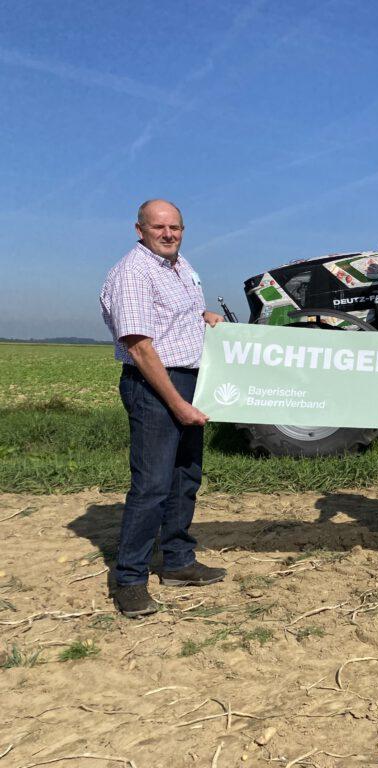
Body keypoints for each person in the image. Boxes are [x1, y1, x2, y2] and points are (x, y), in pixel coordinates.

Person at [99, 199, 226, 617]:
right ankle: (130, 579)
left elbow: (174, 316)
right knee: (152, 485)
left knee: (185, 476)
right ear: (140, 230)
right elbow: (139, 345)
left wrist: (202, 316)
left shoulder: (179, 266)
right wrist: (177, 402)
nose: (169, 234)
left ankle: (178, 562)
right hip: (155, 385)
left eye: (175, 227)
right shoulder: (133, 272)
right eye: (159, 228)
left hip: (188, 380)